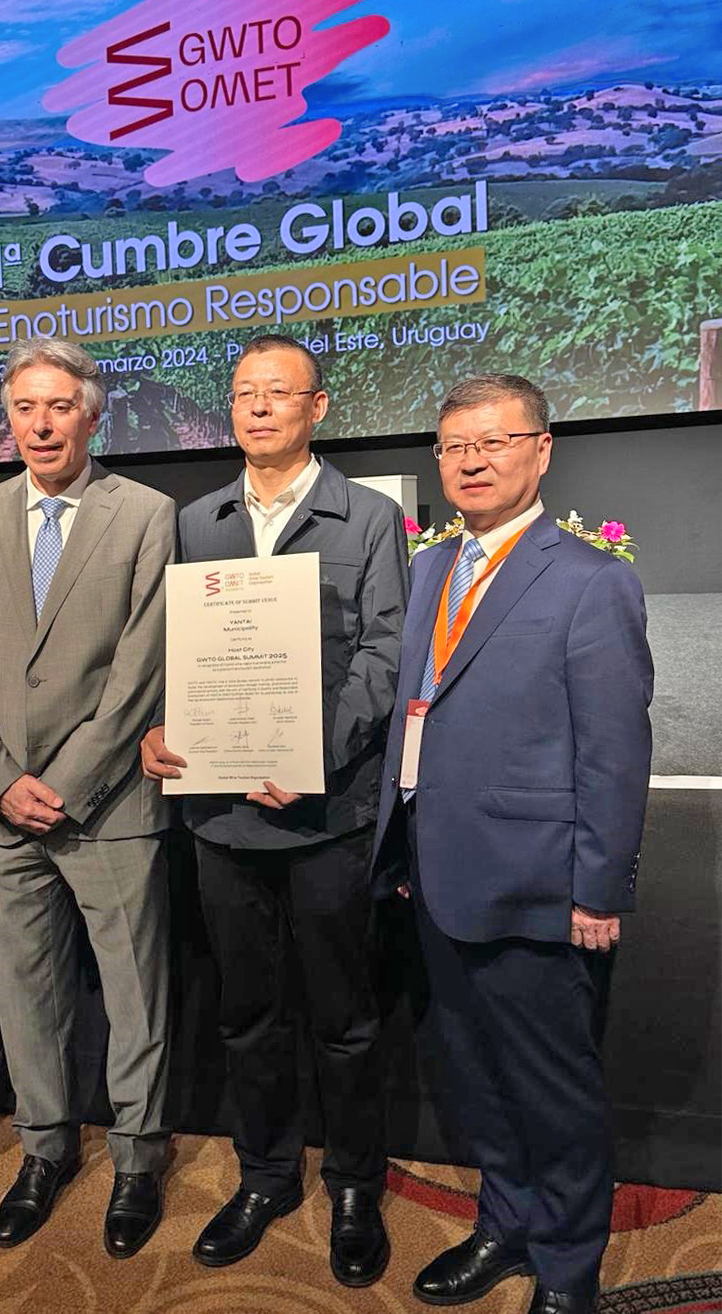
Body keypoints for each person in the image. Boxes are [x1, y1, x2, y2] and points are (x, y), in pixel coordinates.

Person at [372, 374, 653, 1314]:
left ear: (542, 450)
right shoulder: (429, 571)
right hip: (439, 876)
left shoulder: (591, 580)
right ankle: (506, 1224)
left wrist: (598, 893)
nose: (472, 461)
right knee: (477, 1076)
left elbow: (616, 754)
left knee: (554, 1092)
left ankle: (568, 1273)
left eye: (494, 442)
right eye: (454, 446)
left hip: (540, 886)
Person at [142, 334, 408, 1287]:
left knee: (343, 1013)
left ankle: (351, 1183)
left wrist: (315, 753)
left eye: (278, 394)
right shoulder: (196, 520)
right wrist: (161, 730)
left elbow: (386, 658)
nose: (258, 409)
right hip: (220, 818)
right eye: (244, 393)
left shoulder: (370, 518)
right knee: (247, 1013)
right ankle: (264, 1176)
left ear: (318, 408)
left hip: (325, 815)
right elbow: (170, 655)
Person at [0, 337, 175, 1259]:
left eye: (60, 407)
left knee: (135, 996)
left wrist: (69, 783)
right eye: (25, 407)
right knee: (25, 995)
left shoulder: (146, 514)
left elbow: (141, 668)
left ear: (93, 414)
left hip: (108, 806)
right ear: (9, 418)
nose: (41, 423)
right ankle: (43, 1152)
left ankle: (138, 1162)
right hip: (1, 812)